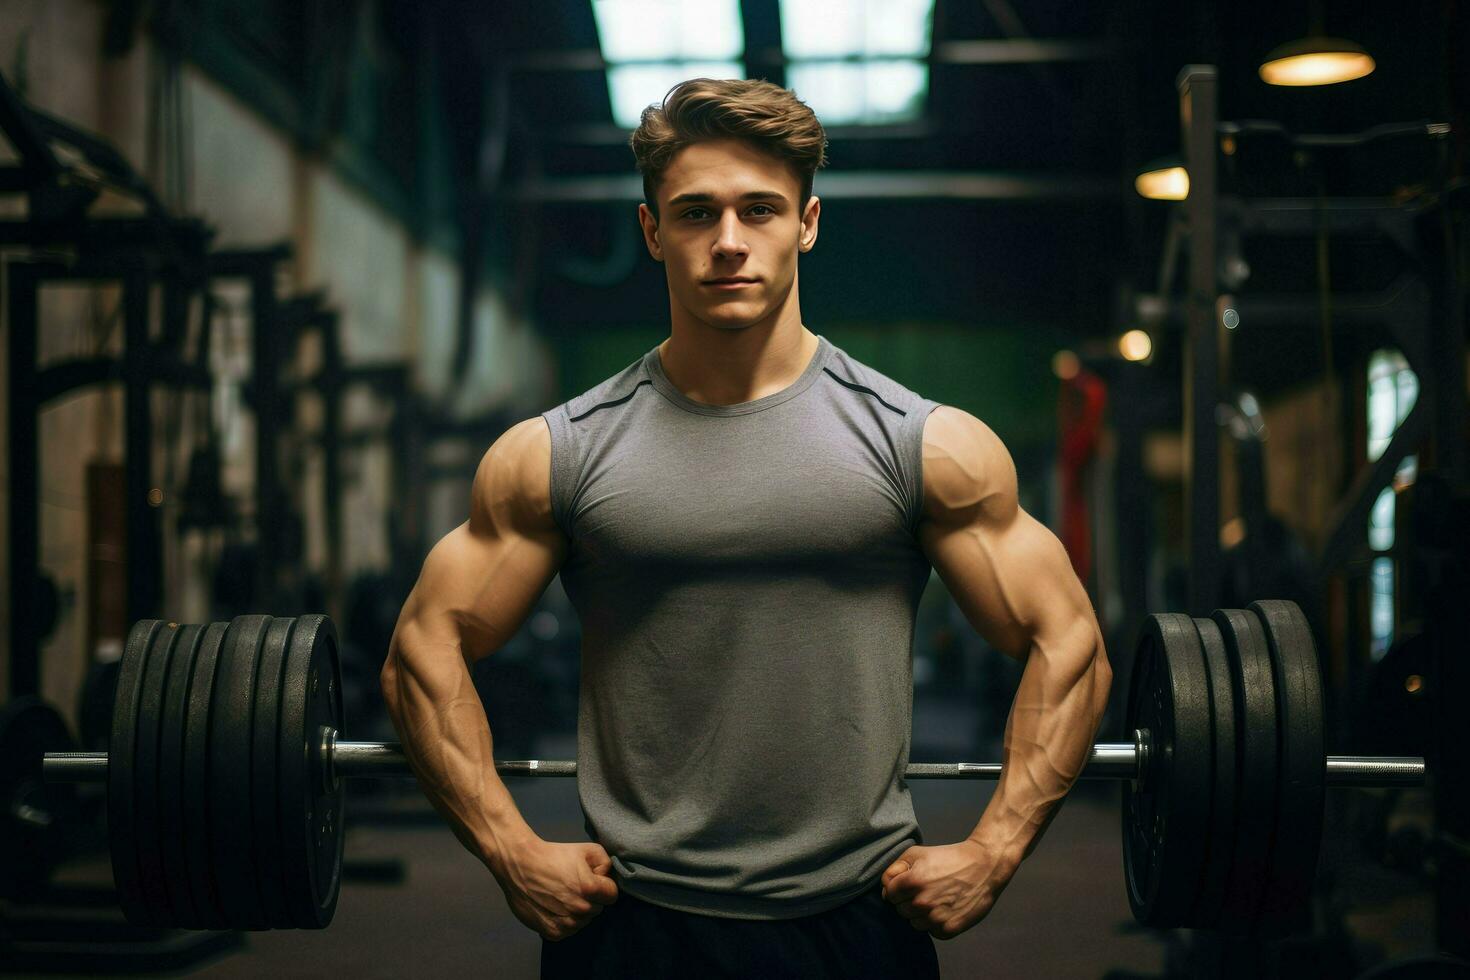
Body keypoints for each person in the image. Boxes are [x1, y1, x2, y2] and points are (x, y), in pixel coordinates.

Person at [380, 77, 1112, 979]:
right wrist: (509, 847)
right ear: (653, 233)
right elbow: (423, 647)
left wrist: (994, 850)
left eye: (759, 210)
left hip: (855, 924)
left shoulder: (922, 444)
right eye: (695, 214)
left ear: (807, 223)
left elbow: (1069, 640)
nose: (728, 243)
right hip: (633, 927)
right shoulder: (558, 454)